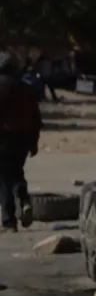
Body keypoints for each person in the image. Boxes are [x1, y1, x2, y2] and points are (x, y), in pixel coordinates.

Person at [0, 54, 41, 233]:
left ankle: (9, 222)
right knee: (16, 172)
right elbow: (36, 118)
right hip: (24, 139)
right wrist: (34, 143)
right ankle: (24, 201)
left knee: (4, 179)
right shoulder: (26, 88)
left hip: (4, 138)